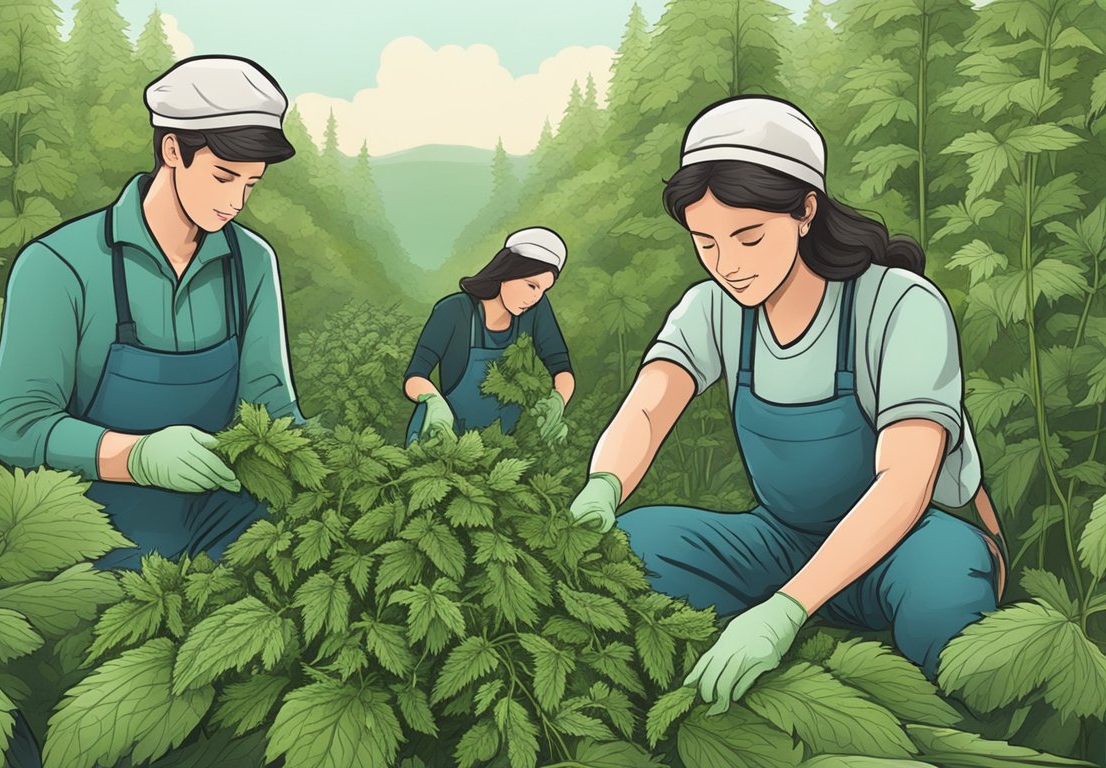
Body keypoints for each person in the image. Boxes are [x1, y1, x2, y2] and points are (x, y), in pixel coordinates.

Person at [567, 96, 1009, 715]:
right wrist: (604, 486)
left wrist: (786, 609)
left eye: (748, 237)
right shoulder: (713, 310)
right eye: (706, 243)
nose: (729, 267)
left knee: (945, 587)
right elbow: (649, 406)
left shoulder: (898, 306)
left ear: (805, 210)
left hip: (902, 543)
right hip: (780, 541)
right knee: (633, 545)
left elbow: (906, 482)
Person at [0, 55, 304, 571]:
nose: (236, 203)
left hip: (223, 528)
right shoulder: (59, 266)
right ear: (173, 150)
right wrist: (136, 457)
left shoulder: (252, 263)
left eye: (251, 184)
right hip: (92, 537)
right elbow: (15, 425)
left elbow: (271, 406)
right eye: (224, 177)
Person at [403, 228, 575, 446]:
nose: (535, 297)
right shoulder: (454, 311)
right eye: (531, 285)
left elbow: (561, 366)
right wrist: (434, 402)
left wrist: (558, 401)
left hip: (502, 442)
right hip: (442, 434)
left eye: (543, 290)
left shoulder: (536, 310)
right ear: (507, 272)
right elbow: (414, 377)